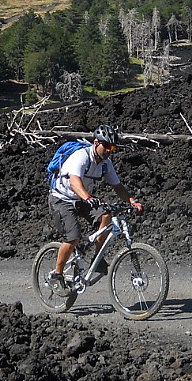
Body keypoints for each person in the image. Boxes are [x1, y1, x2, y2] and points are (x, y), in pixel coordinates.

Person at [47, 124, 143, 290]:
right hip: (61, 199)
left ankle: (97, 260)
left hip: (82, 199)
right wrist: (88, 197)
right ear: (97, 143)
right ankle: (57, 274)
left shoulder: (106, 163)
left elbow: (118, 186)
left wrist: (132, 201)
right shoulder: (81, 157)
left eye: (112, 147)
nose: (109, 150)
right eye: (106, 146)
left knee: (107, 215)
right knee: (73, 237)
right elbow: (74, 181)